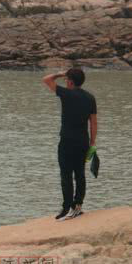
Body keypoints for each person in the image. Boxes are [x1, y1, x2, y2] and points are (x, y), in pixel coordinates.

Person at [42, 68, 97, 221]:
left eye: (66, 80)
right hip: (83, 141)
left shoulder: (66, 94)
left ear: (71, 82)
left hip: (66, 141)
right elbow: (93, 122)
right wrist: (92, 142)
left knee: (66, 175)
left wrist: (60, 73)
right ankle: (77, 206)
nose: (65, 82)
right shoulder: (90, 98)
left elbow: (46, 79)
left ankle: (67, 207)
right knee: (80, 174)